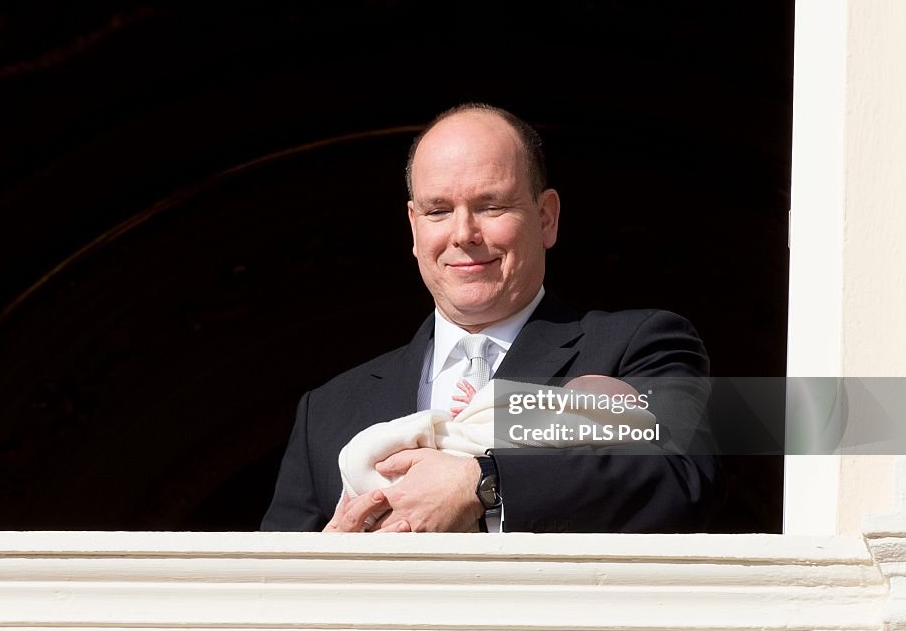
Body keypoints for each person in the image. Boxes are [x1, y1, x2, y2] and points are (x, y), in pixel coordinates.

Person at [261, 102, 720, 533]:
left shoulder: (639, 344)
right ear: (414, 228)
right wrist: (322, 556)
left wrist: (483, 483)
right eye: (438, 210)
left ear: (546, 218)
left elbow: (679, 473)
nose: (463, 234)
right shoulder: (326, 411)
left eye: (491, 206)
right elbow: (270, 591)